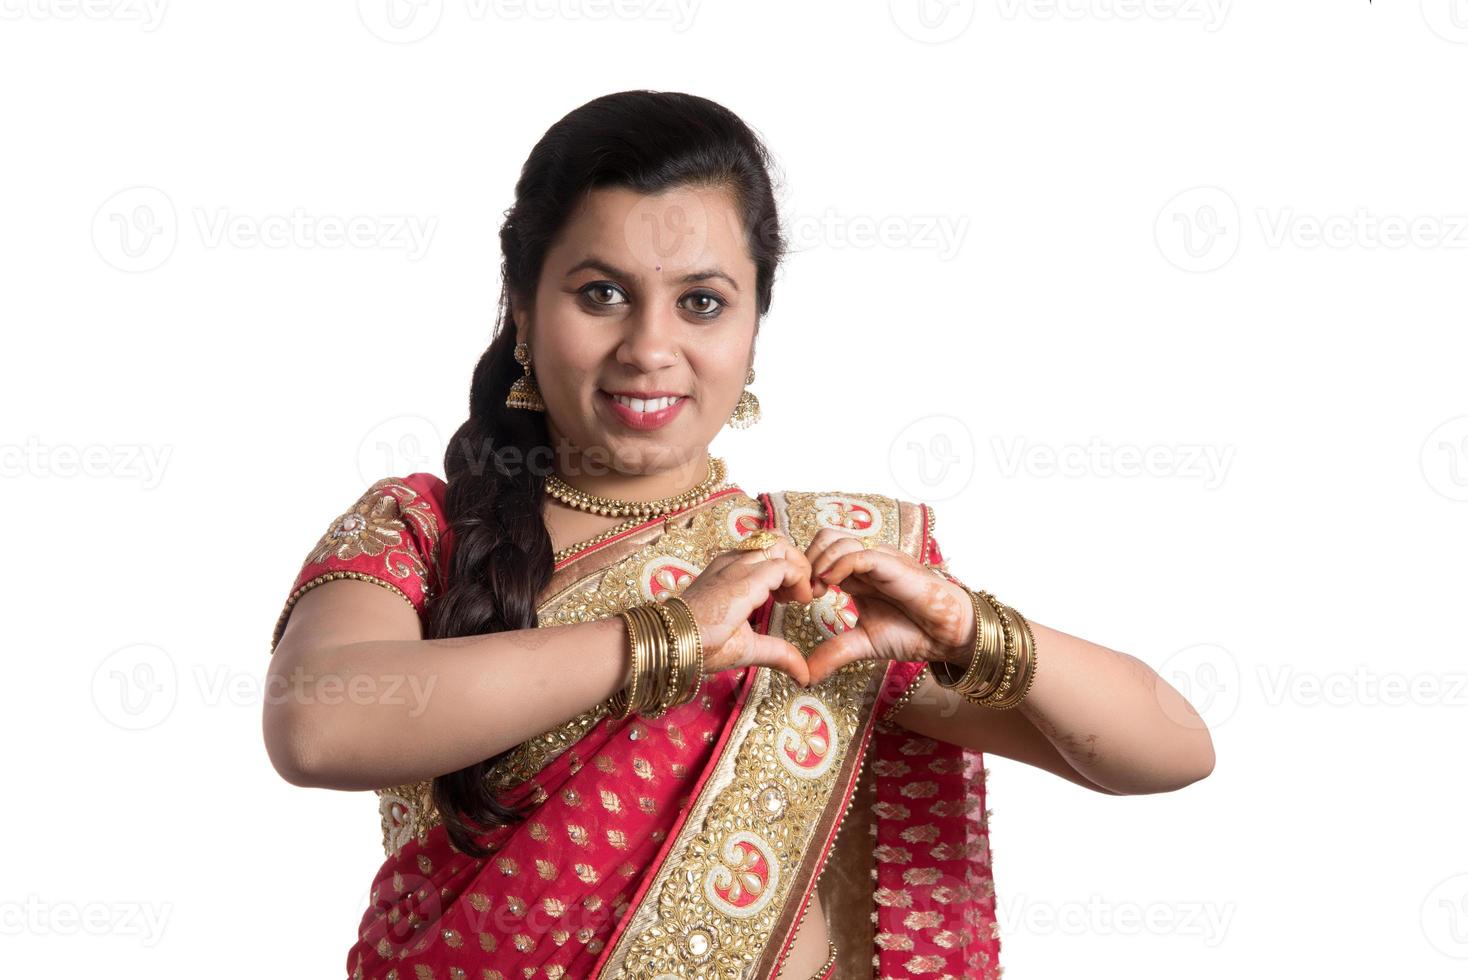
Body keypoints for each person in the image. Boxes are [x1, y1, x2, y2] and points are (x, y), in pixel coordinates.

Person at [263, 90, 1216, 980]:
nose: (648, 345)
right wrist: (667, 635)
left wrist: (975, 632)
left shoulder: (807, 577)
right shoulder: (421, 527)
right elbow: (318, 724)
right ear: (521, 305)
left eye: (702, 302)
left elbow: (1171, 751)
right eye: (599, 293)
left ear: (756, 324)